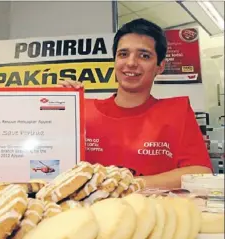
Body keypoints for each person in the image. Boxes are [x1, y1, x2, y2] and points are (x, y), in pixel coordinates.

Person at [61, 18, 212, 189]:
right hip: (89, 214)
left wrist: (128, 185)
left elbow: (200, 172)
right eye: (123, 54)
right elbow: (49, 165)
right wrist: (53, 107)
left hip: (151, 213)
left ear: (160, 66)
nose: (131, 63)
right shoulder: (81, 110)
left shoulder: (177, 112)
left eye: (144, 56)